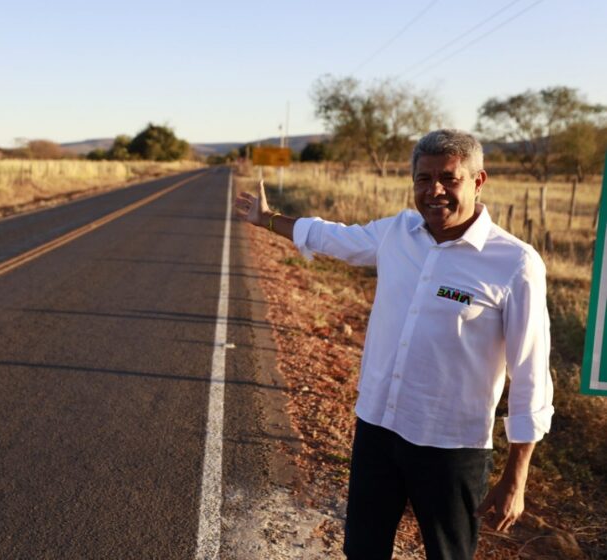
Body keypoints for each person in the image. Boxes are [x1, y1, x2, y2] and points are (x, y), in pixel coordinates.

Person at [234, 129, 553, 560]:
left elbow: (531, 372)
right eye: (423, 179)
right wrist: (267, 219)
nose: (434, 191)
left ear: (478, 182)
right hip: (378, 427)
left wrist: (517, 478)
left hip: (451, 446)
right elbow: (332, 236)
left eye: (449, 178)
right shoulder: (397, 234)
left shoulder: (514, 263)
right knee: (363, 550)